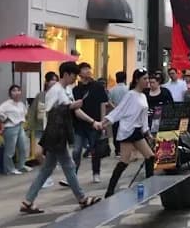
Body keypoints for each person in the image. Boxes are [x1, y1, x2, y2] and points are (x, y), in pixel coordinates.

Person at [20, 62, 102, 214]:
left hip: (59, 134)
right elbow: (51, 112)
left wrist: (92, 122)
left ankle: (28, 201)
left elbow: (75, 110)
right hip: (55, 135)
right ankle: (82, 199)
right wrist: (71, 107)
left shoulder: (66, 90)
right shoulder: (55, 91)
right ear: (66, 74)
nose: (76, 78)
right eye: (74, 75)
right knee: (68, 166)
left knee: (47, 169)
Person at [99, 69, 156, 197]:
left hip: (137, 131)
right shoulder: (130, 95)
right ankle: (110, 190)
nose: (147, 81)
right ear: (137, 80)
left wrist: (147, 133)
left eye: (148, 78)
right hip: (127, 131)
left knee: (150, 156)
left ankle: (150, 184)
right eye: (144, 79)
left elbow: (144, 117)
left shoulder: (143, 96)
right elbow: (119, 110)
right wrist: (104, 123)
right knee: (124, 162)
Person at [66, 62, 109, 185]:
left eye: (89, 69)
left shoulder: (98, 87)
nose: (88, 71)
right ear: (79, 73)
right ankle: (73, 175)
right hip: (79, 124)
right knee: (76, 150)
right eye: (84, 69)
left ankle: (96, 173)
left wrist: (103, 121)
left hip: (95, 122)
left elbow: (103, 104)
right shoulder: (75, 90)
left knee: (95, 150)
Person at [28, 72, 58, 187]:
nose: (53, 82)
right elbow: (32, 112)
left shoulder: (60, 95)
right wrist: (29, 127)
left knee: (53, 155)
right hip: (40, 129)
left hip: (53, 129)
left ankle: (47, 177)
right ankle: (48, 173)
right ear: (46, 82)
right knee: (37, 153)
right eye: (51, 80)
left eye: (55, 80)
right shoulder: (40, 95)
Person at [0, 84, 30, 175]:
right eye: (14, 90)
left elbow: (25, 113)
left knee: (23, 147)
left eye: (18, 90)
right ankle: (9, 169)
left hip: (20, 127)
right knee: (10, 150)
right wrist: (6, 118)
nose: (16, 92)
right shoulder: (7, 104)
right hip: (10, 128)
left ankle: (21, 166)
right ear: (10, 93)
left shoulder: (21, 104)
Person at [108, 71, 129, 157]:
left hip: (116, 114)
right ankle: (125, 150)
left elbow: (109, 101)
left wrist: (115, 108)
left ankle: (117, 150)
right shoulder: (128, 89)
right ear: (125, 79)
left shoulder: (112, 90)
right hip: (126, 114)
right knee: (126, 132)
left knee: (116, 132)